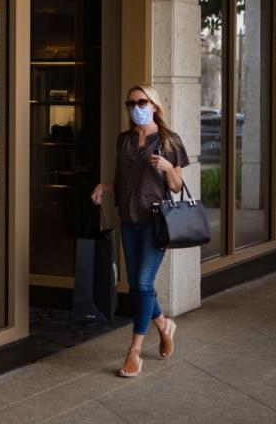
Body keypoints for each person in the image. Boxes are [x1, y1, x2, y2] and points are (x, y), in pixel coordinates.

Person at [90, 83, 189, 378]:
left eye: (142, 102)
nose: (136, 107)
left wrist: (168, 167)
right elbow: (122, 179)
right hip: (129, 219)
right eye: (130, 103)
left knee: (143, 283)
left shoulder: (169, 140)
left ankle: (134, 351)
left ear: (154, 106)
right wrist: (104, 187)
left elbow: (176, 186)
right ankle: (163, 325)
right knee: (136, 284)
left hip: (156, 221)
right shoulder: (124, 140)